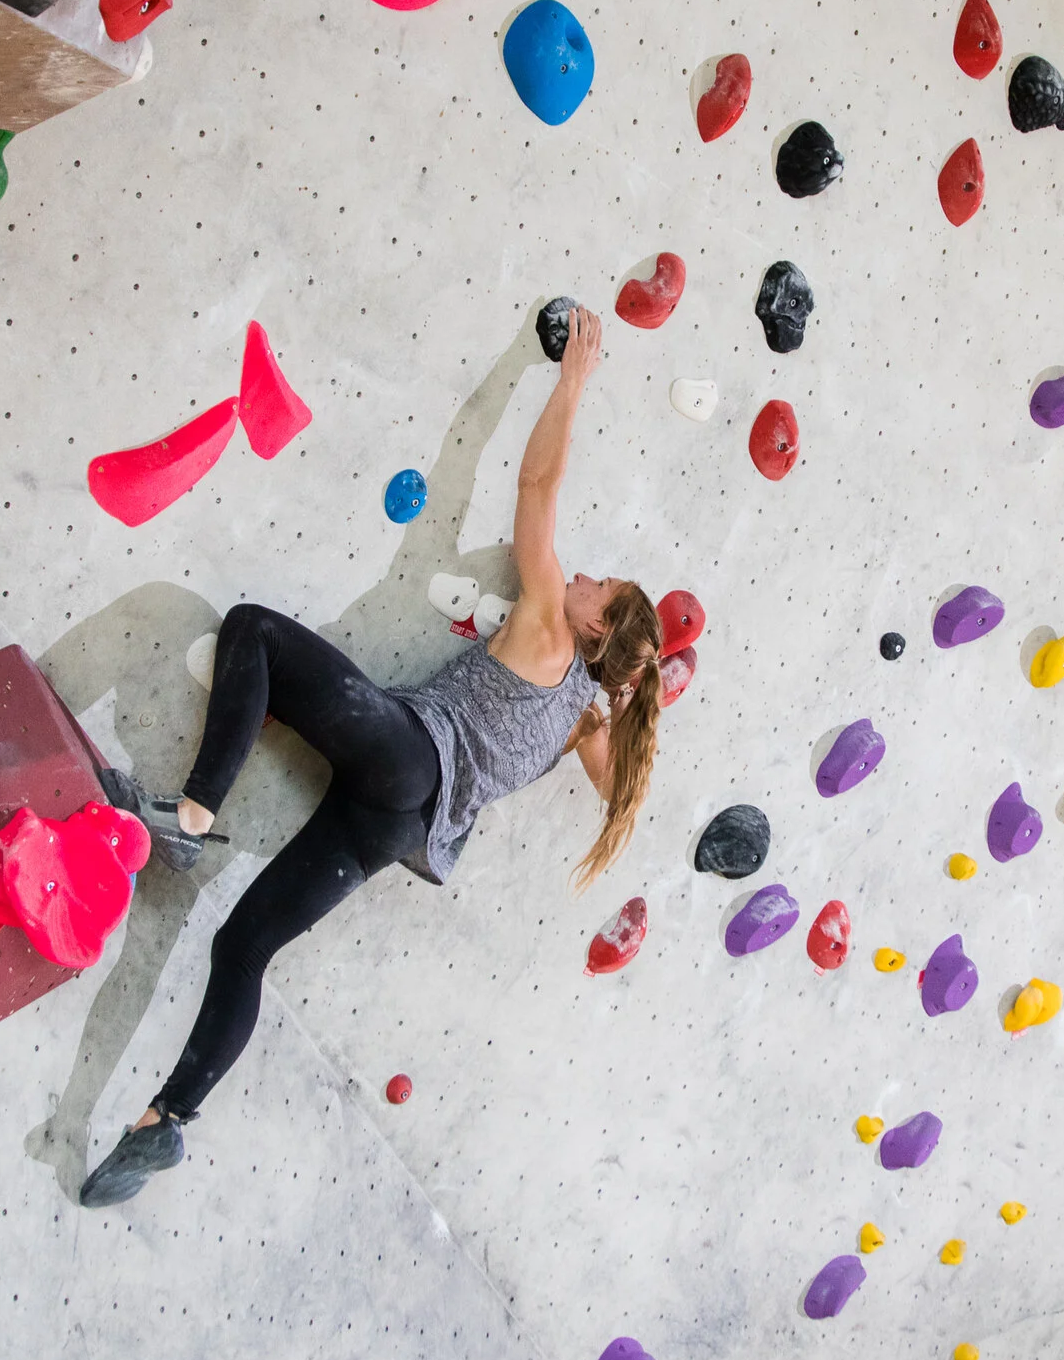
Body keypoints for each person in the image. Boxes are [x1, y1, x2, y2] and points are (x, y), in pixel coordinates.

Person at [81, 306, 664, 1207]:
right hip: (402, 830)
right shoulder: (585, 716)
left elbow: (538, 488)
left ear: (594, 623)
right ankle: (168, 1120)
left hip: (411, 761)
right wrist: (629, 697)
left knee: (254, 633)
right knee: (242, 948)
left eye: (601, 586)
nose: (583, 575)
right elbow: (620, 780)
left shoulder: (553, 625)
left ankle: (189, 818)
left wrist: (571, 380)